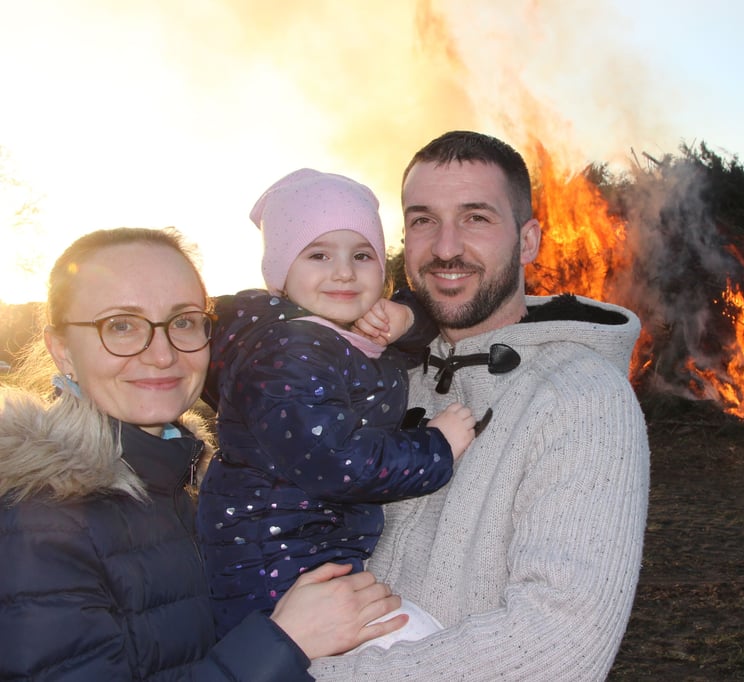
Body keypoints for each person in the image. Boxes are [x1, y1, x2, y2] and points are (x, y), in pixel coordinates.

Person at [311, 130, 651, 680]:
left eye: (476, 218)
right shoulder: (375, 375)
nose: (446, 247)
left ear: (529, 240)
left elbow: (559, 642)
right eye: (423, 219)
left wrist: (299, 672)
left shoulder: (582, 396)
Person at [0, 227, 406, 680]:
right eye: (120, 325)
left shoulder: (192, 482)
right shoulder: (37, 523)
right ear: (62, 350)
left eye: (184, 321)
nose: (161, 354)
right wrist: (284, 642)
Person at [197, 169, 477, 647]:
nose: (344, 271)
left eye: (362, 255)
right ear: (282, 271)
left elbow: (414, 330)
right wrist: (436, 447)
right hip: (276, 573)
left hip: (306, 553)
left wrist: (404, 317)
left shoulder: (335, 334)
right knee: (418, 642)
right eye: (319, 254)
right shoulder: (289, 351)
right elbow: (334, 459)